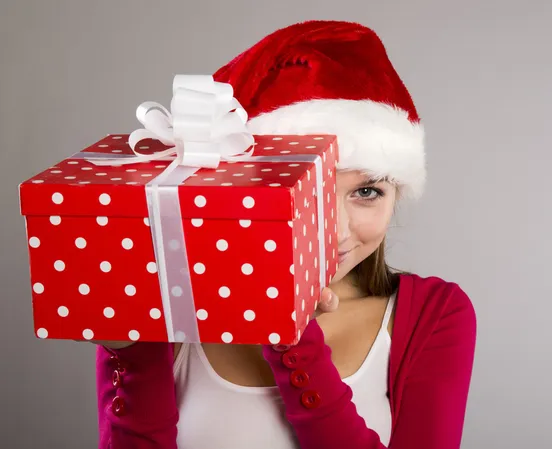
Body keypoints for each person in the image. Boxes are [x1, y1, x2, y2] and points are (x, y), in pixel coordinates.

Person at [95, 20, 477, 449]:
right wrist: (131, 351)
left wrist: (292, 339)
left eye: (367, 192)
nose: (335, 232)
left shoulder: (434, 315)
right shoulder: (166, 308)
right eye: (303, 188)